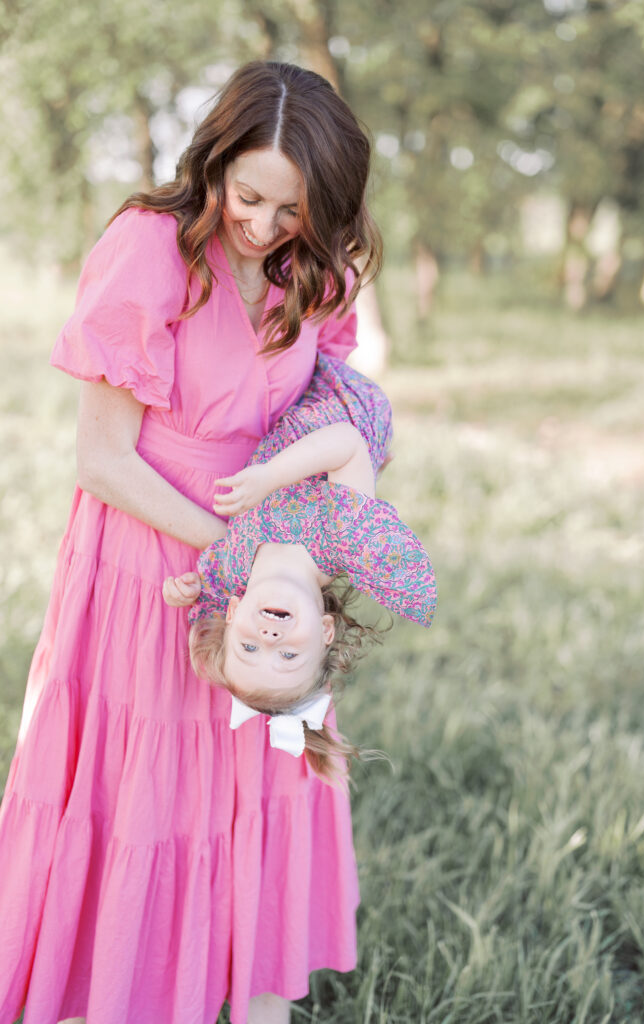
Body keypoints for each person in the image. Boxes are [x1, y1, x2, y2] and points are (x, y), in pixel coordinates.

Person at [0, 61, 383, 1024]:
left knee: (259, 776)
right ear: (212, 161)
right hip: (149, 557)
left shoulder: (312, 272)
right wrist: (232, 553)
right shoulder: (151, 247)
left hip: (268, 560)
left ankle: (251, 995)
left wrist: (307, 533)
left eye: (289, 211)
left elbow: (332, 403)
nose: (259, 226)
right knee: (150, 796)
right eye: (246, 194)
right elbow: (99, 458)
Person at [162, 354, 437, 779]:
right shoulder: (342, 541)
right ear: (326, 631)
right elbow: (345, 443)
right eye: (288, 655)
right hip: (344, 404)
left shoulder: (234, 569)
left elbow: (207, 588)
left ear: (233, 615)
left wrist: (181, 590)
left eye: (248, 648)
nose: (269, 637)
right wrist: (269, 477)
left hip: (292, 403)